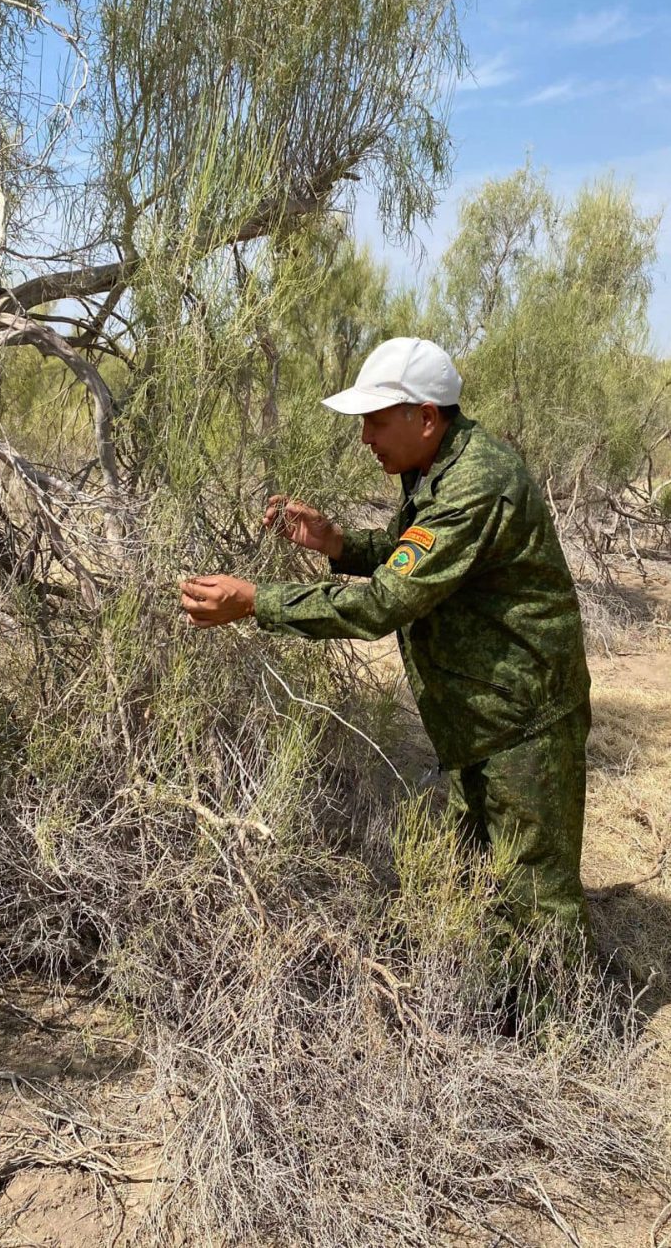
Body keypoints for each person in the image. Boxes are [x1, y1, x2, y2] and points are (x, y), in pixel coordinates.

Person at [180, 337, 592, 948]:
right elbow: (415, 559)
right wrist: (339, 545)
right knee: (484, 882)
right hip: (482, 717)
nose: (365, 438)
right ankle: (502, 1017)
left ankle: (567, 1028)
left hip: (524, 722)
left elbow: (385, 603)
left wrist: (254, 601)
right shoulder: (433, 467)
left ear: (425, 416)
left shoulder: (478, 482)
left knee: (537, 901)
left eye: (374, 420)